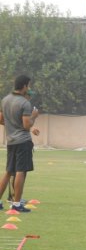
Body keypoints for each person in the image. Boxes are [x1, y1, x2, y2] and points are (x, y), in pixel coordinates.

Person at [0, 74, 39, 212]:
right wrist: (33, 117)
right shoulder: (24, 103)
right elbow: (27, 125)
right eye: (28, 85)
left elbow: (1, 120)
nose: (28, 88)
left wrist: (12, 126)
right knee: (20, 172)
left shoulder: (5, 100)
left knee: (8, 171)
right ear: (24, 86)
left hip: (10, 141)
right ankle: (16, 204)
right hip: (22, 141)